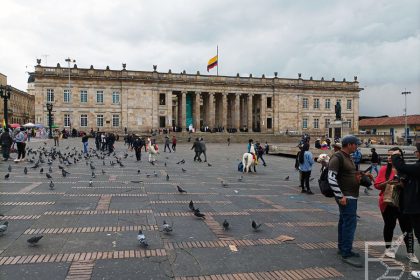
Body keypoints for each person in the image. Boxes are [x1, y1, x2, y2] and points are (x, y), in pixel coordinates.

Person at [374, 147, 418, 263]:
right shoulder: (384, 169)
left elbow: (411, 186)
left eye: (392, 155)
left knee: (407, 229)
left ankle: (411, 252)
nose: (389, 157)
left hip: (403, 203)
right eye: (388, 155)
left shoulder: (405, 169)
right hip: (387, 202)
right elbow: (377, 185)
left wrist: (401, 184)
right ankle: (388, 249)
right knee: (389, 225)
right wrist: (388, 182)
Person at [328, 135, 364, 267]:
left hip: (350, 195)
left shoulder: (348, 157)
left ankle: (342, 247)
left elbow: (347, 175)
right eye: (356, 144)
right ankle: (346, 253)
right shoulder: (338, 157)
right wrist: (340, 196)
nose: (357, 146)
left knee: (344, 221)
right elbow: (331, 178)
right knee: (350, 223)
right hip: (346, 196)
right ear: (349, 144)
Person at [391, 143, 420, 252]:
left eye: (416, 151)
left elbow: (402, 166)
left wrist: (395, 156)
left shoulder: (418, 167)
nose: (415, 153)